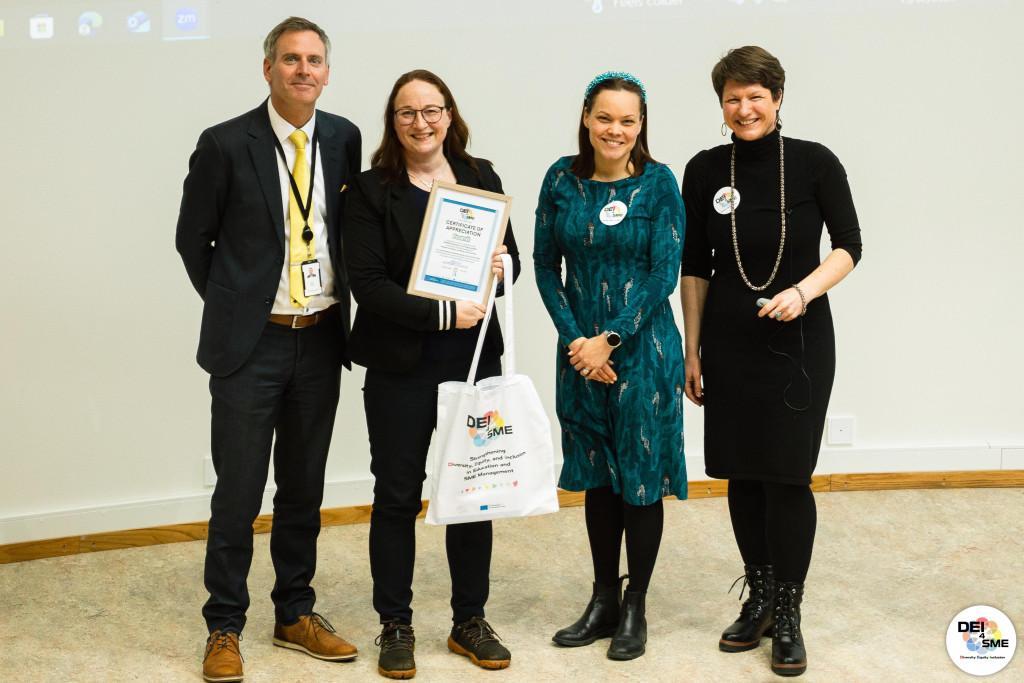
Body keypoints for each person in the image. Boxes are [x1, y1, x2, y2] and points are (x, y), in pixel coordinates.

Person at [175, 16, 361, 683]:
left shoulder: (343, 137)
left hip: (320, 342)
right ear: (268, 69)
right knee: (238, 492)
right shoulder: (225, 143)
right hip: (251, 348)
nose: (303, 69)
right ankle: (224, 624)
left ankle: (294, 612)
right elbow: (193, 241)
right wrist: (240, 308)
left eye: (314, 59)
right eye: (290, 59)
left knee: (304, 489)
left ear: (327, 72)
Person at [680, 46, 862, 677]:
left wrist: (802, 292)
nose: (744, 108)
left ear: (778, 99)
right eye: (732, 98)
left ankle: (788, 613)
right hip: (728, 344)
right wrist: (691, 349)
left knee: (786, 477)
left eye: (756, 96)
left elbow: (849, 247)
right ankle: (757, 599)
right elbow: (694, 268)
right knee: (741, 474)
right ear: (721, 106)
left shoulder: (814, 163)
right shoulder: (704, 170)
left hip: (799, 345)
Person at [343, 69, 521, 680]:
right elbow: (367, 287)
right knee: (396, 497)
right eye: (407, 112)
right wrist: (444, 311)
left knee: (474, 495)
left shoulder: (481, 177)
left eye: (432, 109)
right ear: (393, 123)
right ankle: (395, 625)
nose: (422, 122)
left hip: (473, 361)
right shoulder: (369, 191)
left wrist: (502, 268)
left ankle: (469, 620)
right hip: (400, 367)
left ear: (451, 114)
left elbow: (513, 263)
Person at [534, 72, 686, 661]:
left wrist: (610, 340)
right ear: (586, 117)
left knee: (640, 482)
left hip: (643, 354)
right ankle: (602, 598)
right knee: (598, 477)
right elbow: (547, 267)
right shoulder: (560, 180)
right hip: (579, 354)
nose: (614, 129)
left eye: (626, 119)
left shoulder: (659, 184)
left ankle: (636, 604)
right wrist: (579, 343)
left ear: (641, 123)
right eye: (604, 117)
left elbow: (663, 273)